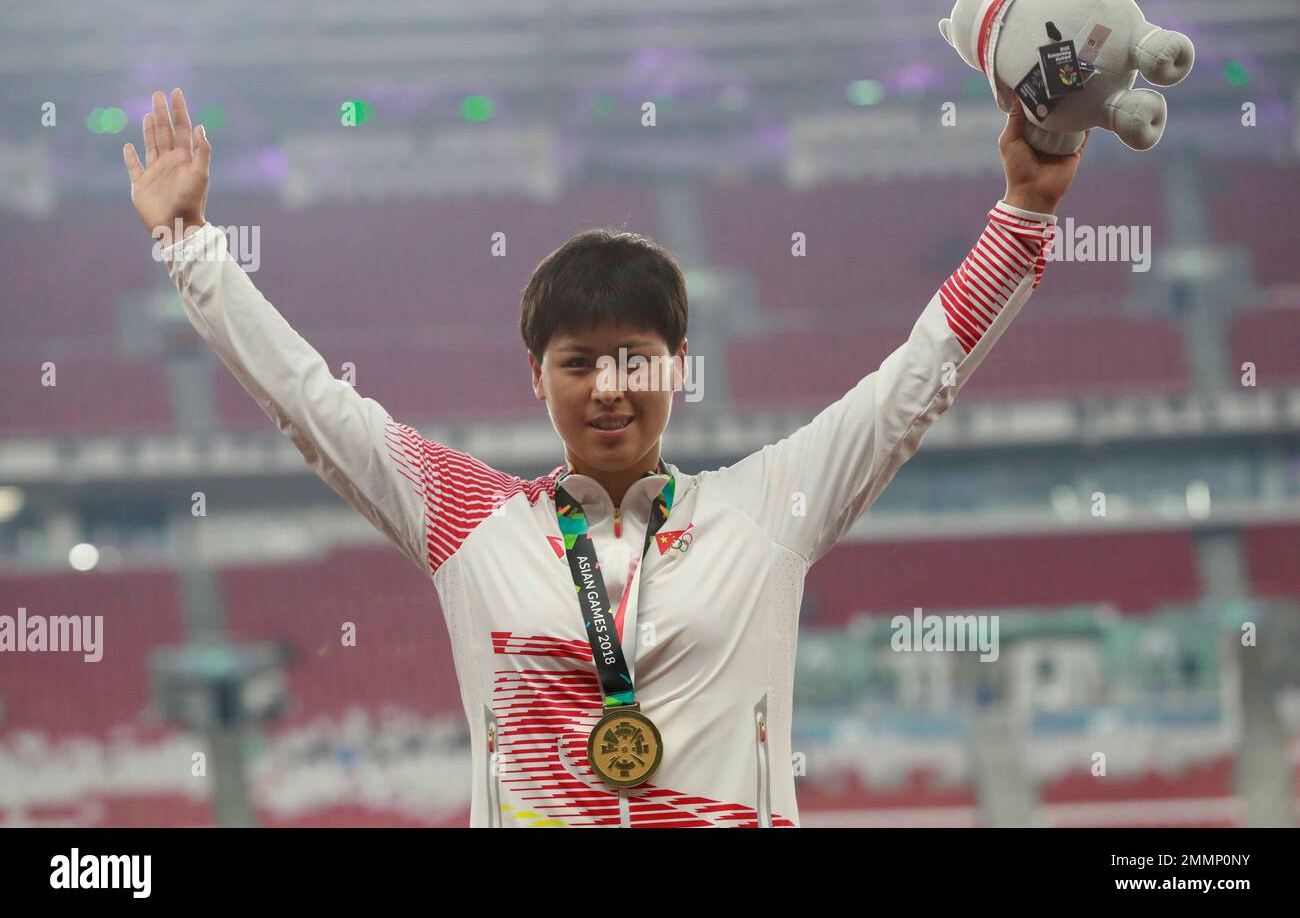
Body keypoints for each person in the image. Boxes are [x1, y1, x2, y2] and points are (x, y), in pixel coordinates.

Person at [124, 87, 1088, 828]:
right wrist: (188, 241)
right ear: (535, 380)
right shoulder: (469, 520)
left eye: (637, 356)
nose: (609, 386)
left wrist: (1026, 208)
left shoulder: (766, 512)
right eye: (578, 361)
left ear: (679, 367)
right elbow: (307, 400)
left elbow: (915, 383)